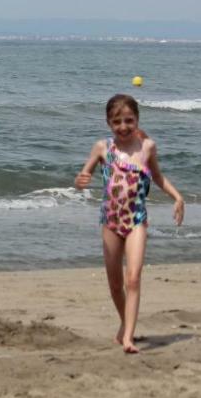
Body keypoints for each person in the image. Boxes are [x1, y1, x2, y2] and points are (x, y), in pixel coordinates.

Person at [75, 94, 185, 354]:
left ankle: (128, 338)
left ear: (137, 120)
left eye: (128, 120)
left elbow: (157, 177)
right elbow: (85, 173)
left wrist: (178, 197)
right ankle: (125, 322)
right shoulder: (102, 148)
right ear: (108, 123)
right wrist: (81, 179)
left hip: (136, 219)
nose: (123, 126)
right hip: (110, 221)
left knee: (133, 279)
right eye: (117, 121)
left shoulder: (147, 148)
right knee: (115, 284)